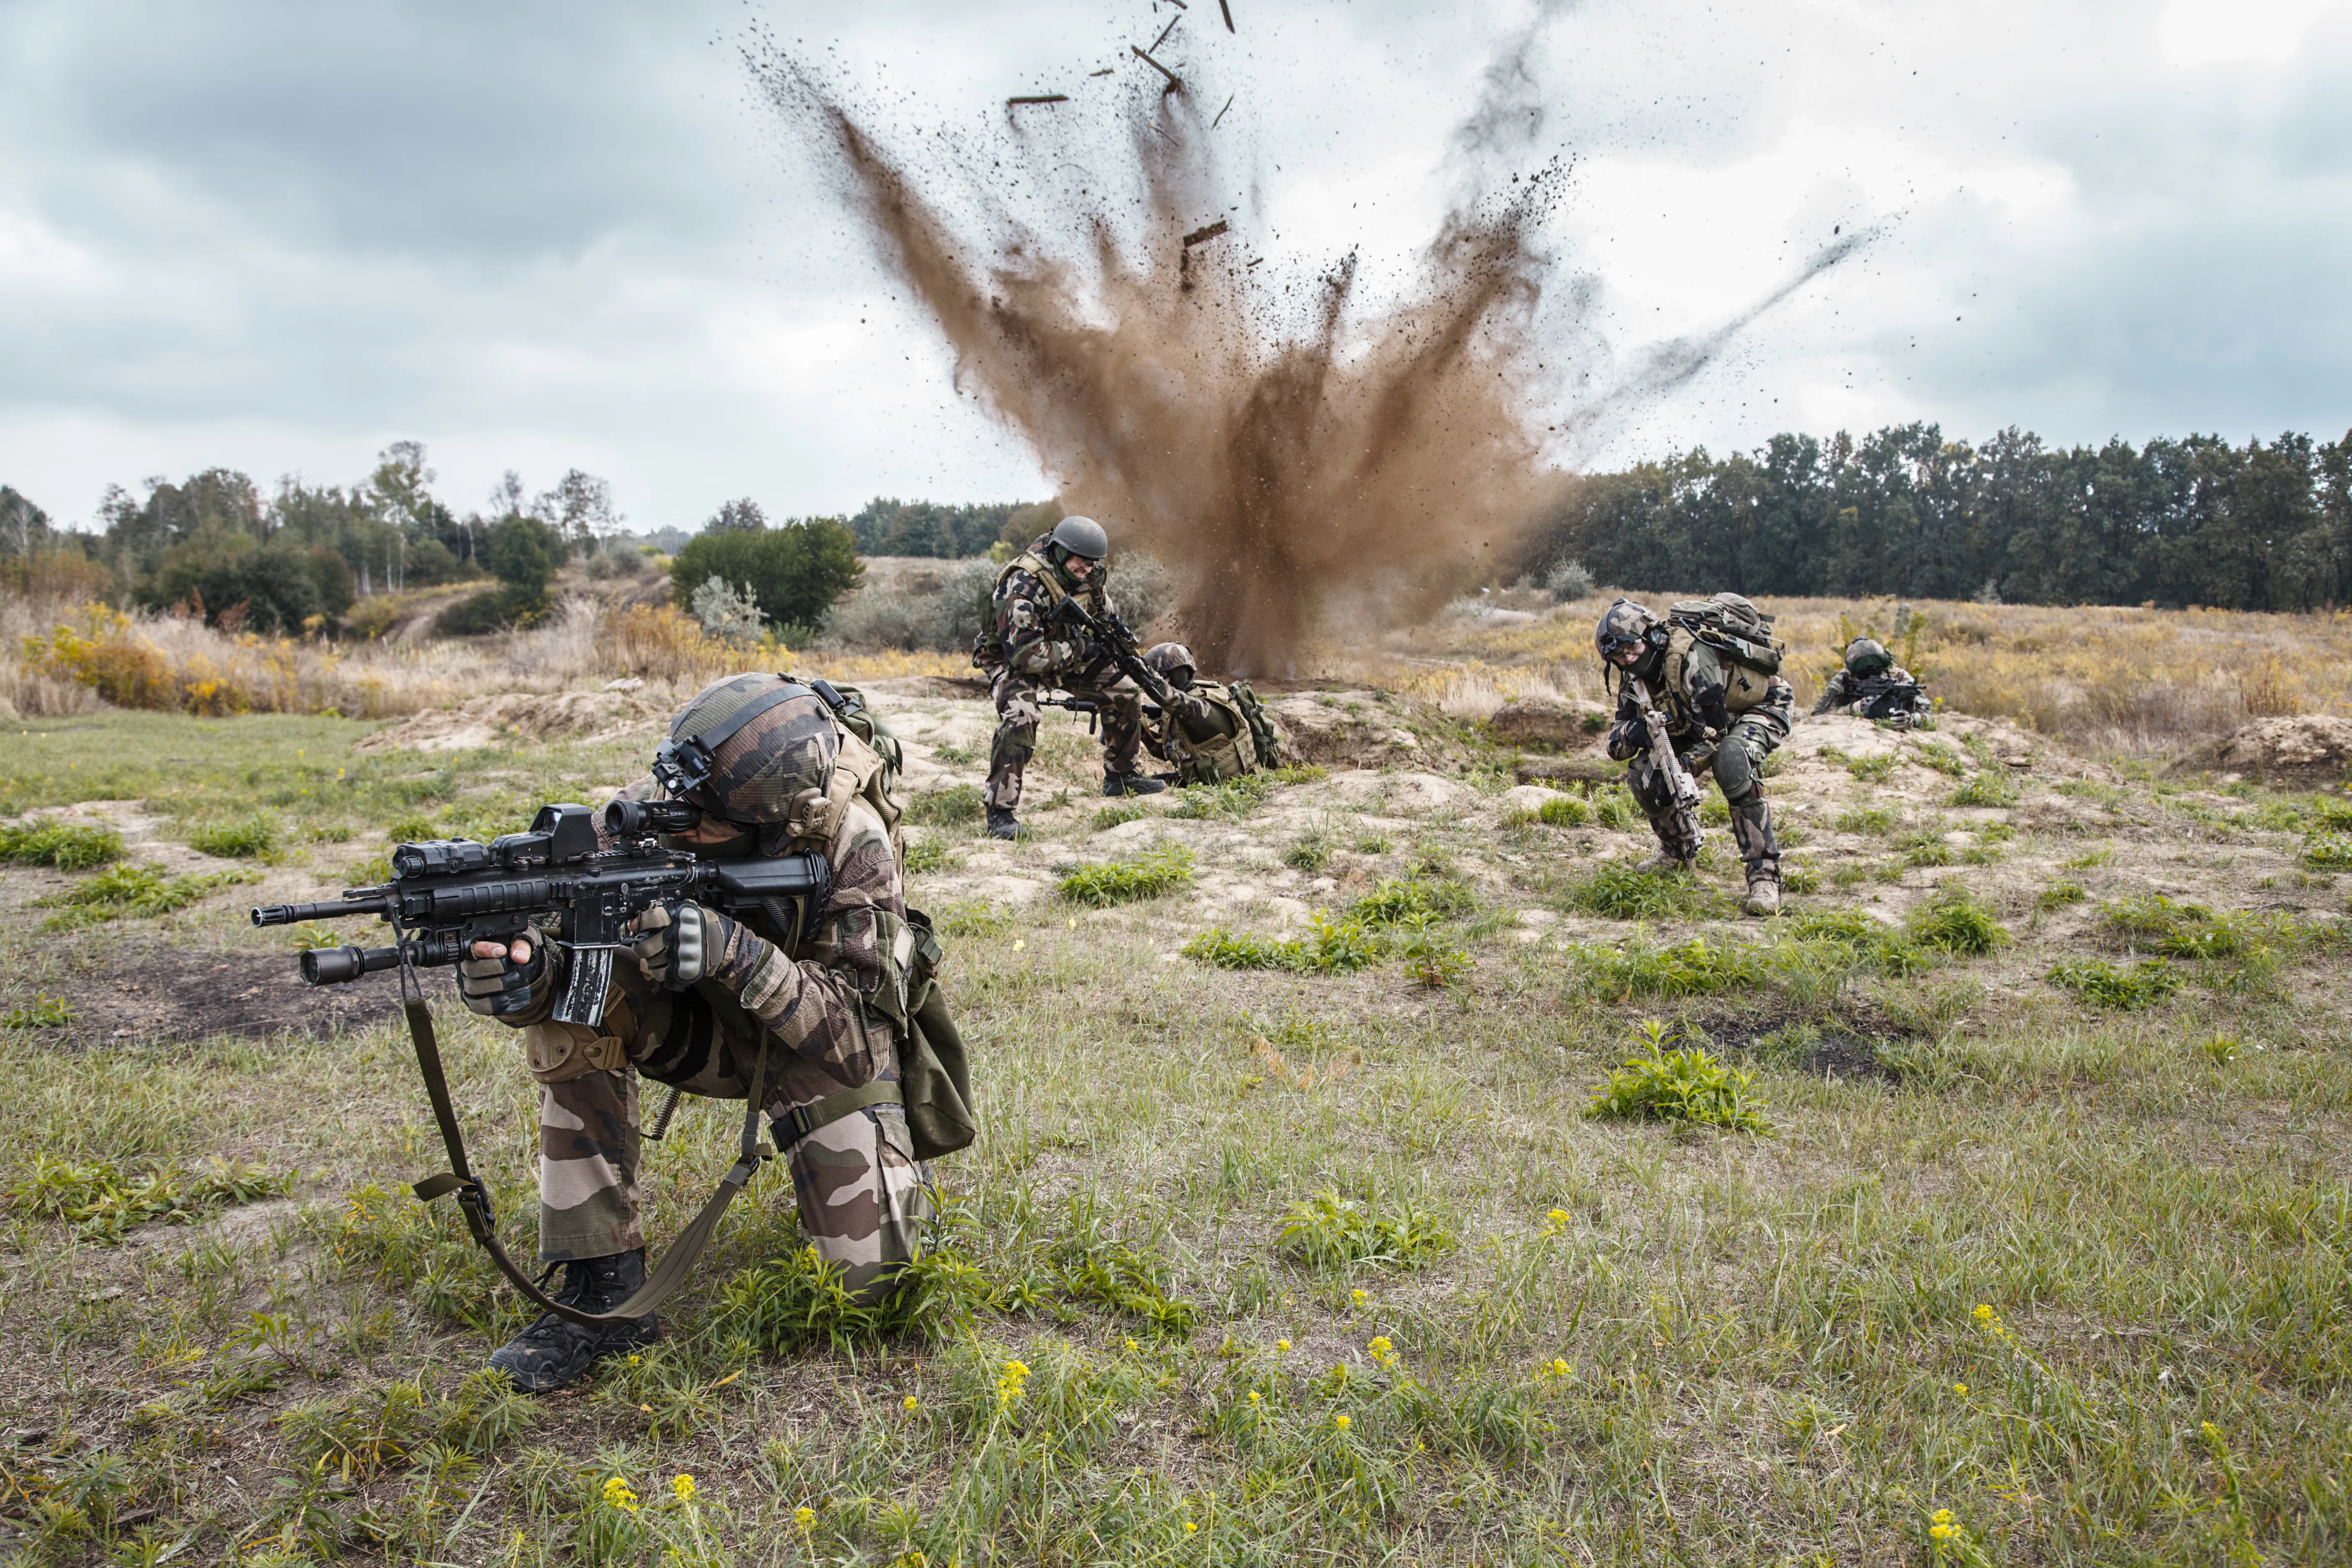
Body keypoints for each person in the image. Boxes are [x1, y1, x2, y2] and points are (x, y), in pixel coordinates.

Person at [454, 673, 932, 1391]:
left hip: (815, 1047)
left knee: (877, 1287)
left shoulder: (850, 840)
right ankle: (602, 1284)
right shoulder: (661, 807)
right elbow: (559, 944)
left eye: (707, 823)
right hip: (700, 1031)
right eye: (678, 804)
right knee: (574, 1003)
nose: (682, 823)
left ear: (777, 820)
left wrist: (732, 951)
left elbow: (860, 1039)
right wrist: (529, 977)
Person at [1595, 595, 1795, 916]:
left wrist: (1685, 766)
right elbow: (1616, 747)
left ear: (1652, 637)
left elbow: (1716, 737)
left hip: (1757, 706)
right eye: (1619, 656)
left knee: (1732, 761)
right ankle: (1677, 852)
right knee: (1643, 773)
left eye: (1633, 648)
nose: (1628, 659)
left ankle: (1764, 878)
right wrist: (1636, 733)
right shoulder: (1632, 675)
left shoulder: (1691, 658)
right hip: (1696, 721)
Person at [976, 516, 1166, 840]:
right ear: (1061, 553)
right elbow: (1024, 656)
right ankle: (1000, 812)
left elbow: (1104, 617)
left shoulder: (1090, 578)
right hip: (1011, 659)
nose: (1087, 569)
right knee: (1022, 714)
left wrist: (1118, 651)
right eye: (1082, 562)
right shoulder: (1024, 584)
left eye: (1094, 564)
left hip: (1060, 654)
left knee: (1125, 690)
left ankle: (1121, 777)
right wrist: (1080, 647)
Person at [1139, 642, 1284, 784]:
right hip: (1207, 778)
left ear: (1180, 672)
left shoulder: (1200, 708)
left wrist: (1144, 676)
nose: (1161, 681)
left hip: (1235, 784)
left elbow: (1172, 699)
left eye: (1163, 676)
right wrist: (1143, 732)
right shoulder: (1181, 709)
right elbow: (1167, 753)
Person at [1812, 637, 1933, 725]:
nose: (1871, 678)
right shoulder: (1844, 679)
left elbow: (1929, 714)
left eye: (1876, 673)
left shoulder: (1900, 677)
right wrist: (1853, 708)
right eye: (1863, 676)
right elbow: (1819, 713)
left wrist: (1912, 720)